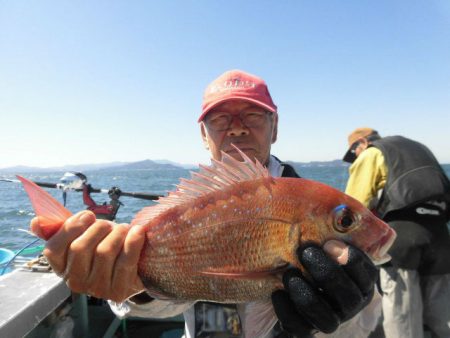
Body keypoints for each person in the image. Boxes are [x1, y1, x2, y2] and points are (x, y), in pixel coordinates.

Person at [31, 70, 381, 338]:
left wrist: (347, 309)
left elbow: (366, 324)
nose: (238, 129)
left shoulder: (317, 209)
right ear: (204, 136)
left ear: (275, 128)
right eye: (220, 119)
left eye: (254, 116)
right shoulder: (184, 209)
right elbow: (165, 301)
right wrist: (133, 287)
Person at [342, 127, 450, 338]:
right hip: (440, 236)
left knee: (403, 316)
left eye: (353, 152)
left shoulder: (371, 153)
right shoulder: (418, 148)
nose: (355, 157)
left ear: (361, 143)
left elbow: (352, 207)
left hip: (403, 237)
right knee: (443, 315)